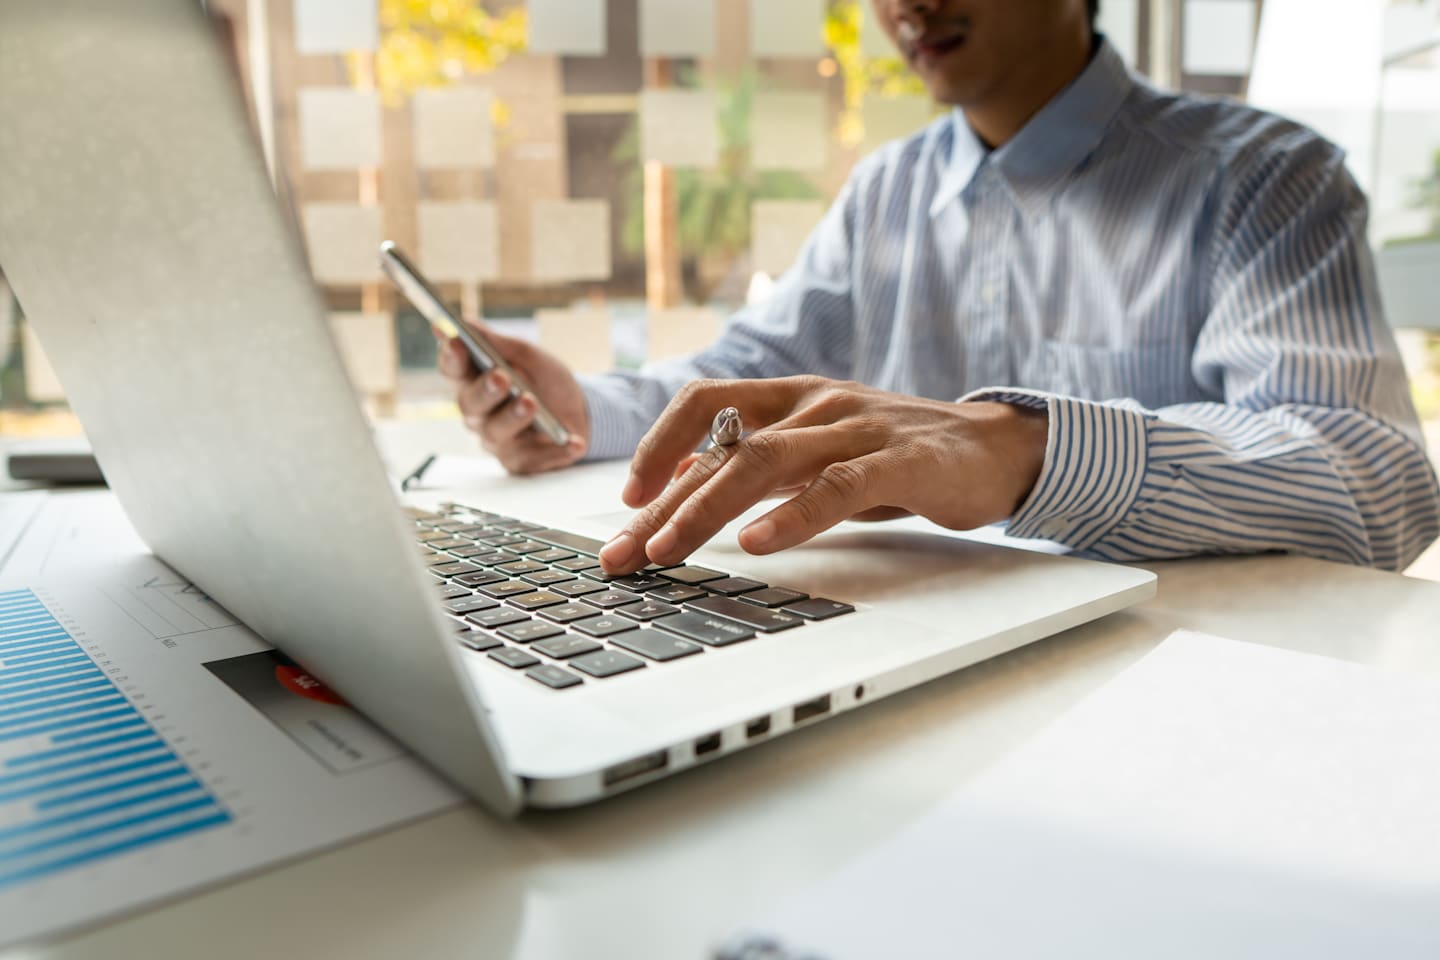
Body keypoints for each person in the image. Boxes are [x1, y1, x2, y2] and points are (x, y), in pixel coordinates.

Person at [438, 0, 1440, 577]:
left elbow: (1377, 484)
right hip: (908, 663)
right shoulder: (889, 189)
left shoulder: (1266, 177)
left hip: (1179, 695)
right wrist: (585, 409)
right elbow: (751, 376)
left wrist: (1029, 448)